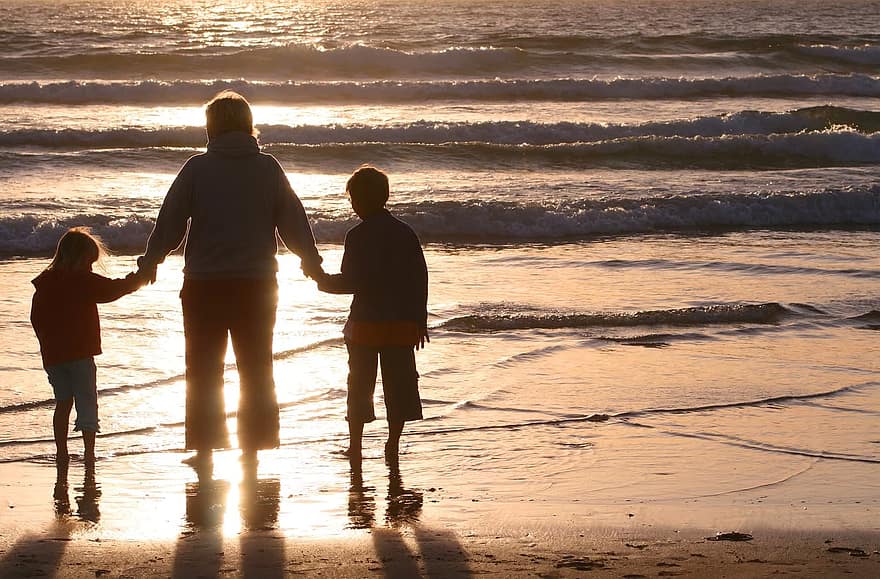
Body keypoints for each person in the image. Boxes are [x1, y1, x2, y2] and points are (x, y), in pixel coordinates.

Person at [137, 90, 323, 469]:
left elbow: (170, 221)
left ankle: (204, 449)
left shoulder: (197, 169)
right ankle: (252, 448)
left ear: (212, 127)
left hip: (205, 284)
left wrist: (151, 261)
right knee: (256, 366)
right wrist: (311, 260)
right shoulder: (268, 168)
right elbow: (292, 220)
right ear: (247, 125)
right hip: (256, 284)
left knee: (204, 368)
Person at [315, 166, 428, 463]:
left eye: (353, 198)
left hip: (365, 324)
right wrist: (420, 319)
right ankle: (392, 443)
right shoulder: (405, 232)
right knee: (400, 386)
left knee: (360, 386)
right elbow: (420, 278)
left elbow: (351, 282)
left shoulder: (357, 236)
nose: (352, 204)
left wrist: (321, 280)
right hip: (402, 323)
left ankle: (355, 446)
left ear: (361, 200)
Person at [30, 227, 145, 465]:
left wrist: (46, 343)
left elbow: (36, 319)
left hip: (54, 356)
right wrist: (139, 279)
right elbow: (113, 289)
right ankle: (89, 452)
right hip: (80, 353)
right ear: (79, 258)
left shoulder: (45, 284)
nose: (91, 268)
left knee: (63, 402)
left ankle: (61, 451)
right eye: (89, 262)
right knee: (86, 401)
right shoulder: (80, 280)